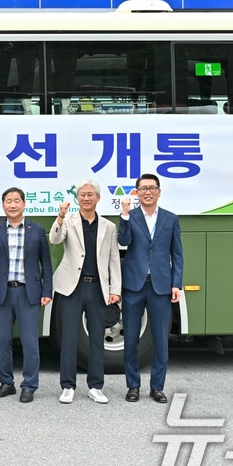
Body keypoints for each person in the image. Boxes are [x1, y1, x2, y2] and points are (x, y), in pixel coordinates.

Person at [49, 179, 121, 405]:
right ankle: (67, 386)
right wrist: (60, 216)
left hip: (98, 287)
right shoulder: (68, 221)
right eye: (82, 194)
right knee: (69, 337)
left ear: (98, 198)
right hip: (73, 287)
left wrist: (115, 289)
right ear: (78, 198)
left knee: (97, 338)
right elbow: (55, 238)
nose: (86, 198)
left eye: (91, 194)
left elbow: (113, 260)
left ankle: (96, 386)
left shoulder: (108, 226)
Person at [0, 187, 52, 403]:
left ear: (24, 204)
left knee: (30, 342)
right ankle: (6, 383)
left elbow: (46, 263)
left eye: (16, 200)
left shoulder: (37, 230)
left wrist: (46, 290)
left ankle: (29, 385)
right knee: (2, 341)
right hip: (3, 293)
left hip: (28, 292)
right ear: (3, 205)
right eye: (8, 201)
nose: (12, 205)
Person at [118, 172, 184, 404]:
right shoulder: (130, 216)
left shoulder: (170, 219)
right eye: (143, 188)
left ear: (159, 191)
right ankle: (132, 385)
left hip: (161, 286)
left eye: (152, 188)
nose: (148, 191)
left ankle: (157, 387)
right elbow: (123, 242)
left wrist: (176, 284)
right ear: (136, 193)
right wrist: (124, 216)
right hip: (134, 285)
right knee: (131, 339)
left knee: (160, 339)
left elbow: (177, 254)